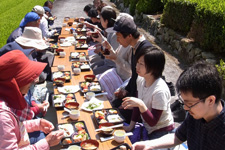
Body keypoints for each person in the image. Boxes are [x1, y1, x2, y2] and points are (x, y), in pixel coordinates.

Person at [132, 61, 225, 150]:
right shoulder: (196, 114)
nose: (185, 108)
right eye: (184, 102)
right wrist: (149, 144)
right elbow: (177, 137)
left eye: (190, 104)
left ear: (210, 100)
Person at [0, 50, 64, 149]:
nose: (31, 83)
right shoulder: (3, 117)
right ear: (16, 84)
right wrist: (46, 143)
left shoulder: (6, 99)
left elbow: (15, 127)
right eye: (29, 84)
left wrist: (36, 124)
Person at [121, 47, 174, 144]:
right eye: (137, 62)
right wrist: (130, 126)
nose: (137, 66)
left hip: (162, 131)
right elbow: (137, 105)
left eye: (141, 64)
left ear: (154, 67)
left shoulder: (160, 91)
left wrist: (141, 104)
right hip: (148, 128)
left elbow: (153, 122)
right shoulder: (141, 79)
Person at [111, 14, 153, 122]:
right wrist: (126, 91)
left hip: (146, 102)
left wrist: (132, 103)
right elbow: (135, 76)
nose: (117, 40)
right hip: (136, 92)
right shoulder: (135, 46)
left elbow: (146, 83)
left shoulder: (145, 50)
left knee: (116, 111)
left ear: (129, 36)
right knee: (114, 103)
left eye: (119, 37)